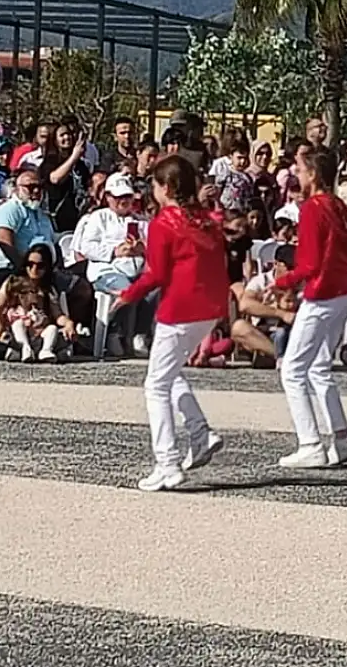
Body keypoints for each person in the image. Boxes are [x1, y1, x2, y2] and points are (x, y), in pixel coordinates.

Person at [112, 155, 230, 491]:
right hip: (209, 307)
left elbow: (157, 274)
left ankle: (167, 462)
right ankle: (199, 431)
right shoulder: (206, 219)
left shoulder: (164, 222)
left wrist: (128, 294)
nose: (152, 190)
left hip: (181, 308)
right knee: (168, 370)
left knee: (155, 385)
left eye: (155, 184)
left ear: (167, 187)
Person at [272, 148, 347, 469]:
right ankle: (342, 437)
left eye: (299, 168)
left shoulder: (311, 209)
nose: (296, 173)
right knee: (320, 368)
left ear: (312, 174)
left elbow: (308, 263)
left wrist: (282, 283)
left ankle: (310, 443)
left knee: (293, 371)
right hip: (342, 295)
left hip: (321, 296)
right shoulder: (339, 207)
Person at [73, 174, 151, 357]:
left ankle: (139, 333)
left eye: (127, 197)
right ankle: (114, 332)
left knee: (155, 288)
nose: (123, 201)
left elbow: (157, 247)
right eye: (118, 197)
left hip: (137, 268)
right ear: (108, 197)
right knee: (126, 289)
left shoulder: (142, 221)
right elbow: (87, 247)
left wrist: (143, 248)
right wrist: (115, 251)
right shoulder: (98, 218)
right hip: (107, 270)